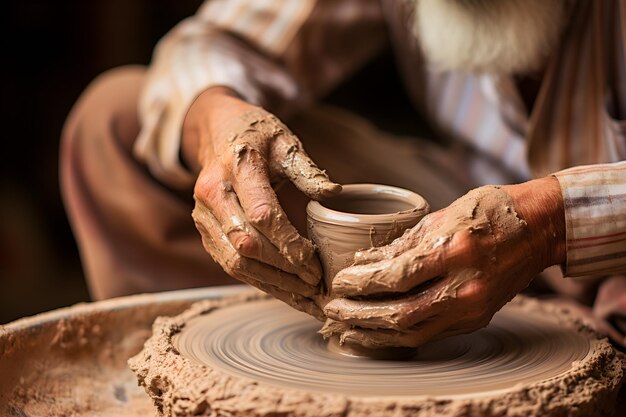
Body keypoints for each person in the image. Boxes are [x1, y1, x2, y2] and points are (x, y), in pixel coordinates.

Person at [61, 0, 626, 348]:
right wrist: (216, 121)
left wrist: (551, 221)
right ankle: (211, 368)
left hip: (610, 248)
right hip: (469, 213)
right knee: (117, 118)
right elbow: (215, 42)